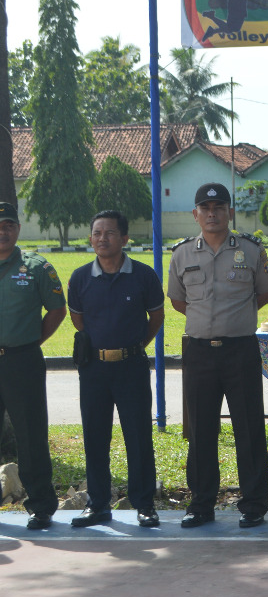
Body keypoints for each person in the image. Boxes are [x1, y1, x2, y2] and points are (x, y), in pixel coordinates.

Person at [168, 183, 268, 529]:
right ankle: (200, 504)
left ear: (230, 212)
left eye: (219, 207)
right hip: (199, 351)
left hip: (240, 350)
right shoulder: (182, 253)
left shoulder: (252, 249)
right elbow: (179, 301)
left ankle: (254, 504)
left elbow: (264, 293)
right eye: (206, 207)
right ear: (195, 214)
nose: (212, 213)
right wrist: (209, 321)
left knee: (249, 426)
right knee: (200, 430)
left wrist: (232, 318)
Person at [66, 210, 165, 528]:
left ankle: (144, 504)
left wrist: (134, 346)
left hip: (132, 366)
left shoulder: (143, 275)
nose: (102, 238)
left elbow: (157, 318)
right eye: (96, 233)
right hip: (93, 369)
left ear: (124, 238)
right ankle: (97, 505)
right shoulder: (80, 278)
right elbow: (78, 320)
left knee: (138, 436)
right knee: (95, 437)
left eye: (109, 233)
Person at [0, 201, 65, 530]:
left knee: (31, 434)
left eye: (9, 224)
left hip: (21, 360)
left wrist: (30, 342)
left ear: (18, 229)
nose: (3, 230)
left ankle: (40, 505)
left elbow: (57, 309)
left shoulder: (37, 267)